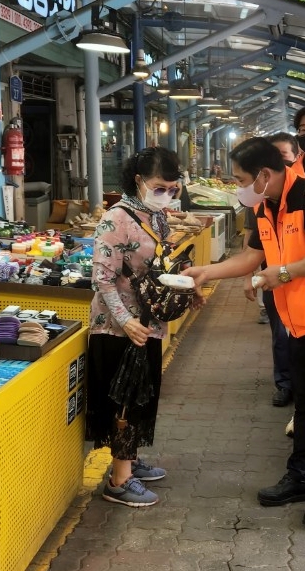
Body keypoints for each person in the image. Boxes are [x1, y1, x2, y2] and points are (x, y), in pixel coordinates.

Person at [185, 137, 305, 530]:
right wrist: (207, 272)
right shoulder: (265, 205)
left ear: (265, 175)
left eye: (240, 179)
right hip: (299, 323)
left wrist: (281, 273)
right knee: (304, 405)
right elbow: (254, 256)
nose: (238, 187)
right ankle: (300, 477)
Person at [86, 146, 182, 508]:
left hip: (149, 324)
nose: (168, 195)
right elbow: (103, 278)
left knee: (142, 397)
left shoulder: (156, 216)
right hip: (117, 329)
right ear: (139, 181)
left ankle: (131, 461)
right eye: (161, 187)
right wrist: (125, 321)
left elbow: (160, 265)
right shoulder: (116, 219)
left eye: (173, 188)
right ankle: (118, 480)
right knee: (124, 403)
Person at [242, 133, 300, 407]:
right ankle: (285, 384)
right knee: (279, 335)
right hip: (272, 282)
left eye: (283, 157)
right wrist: (247, 275)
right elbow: (252, 244)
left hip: (304, 288)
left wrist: (287, 272)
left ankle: (304, 387)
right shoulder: (262, 203)